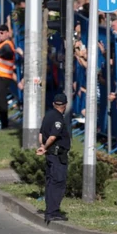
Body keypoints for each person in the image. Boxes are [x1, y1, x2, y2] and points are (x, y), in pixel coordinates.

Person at [36, 92, 70, 224]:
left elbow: (41, 133)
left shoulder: (48, 115)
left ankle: (50, 209)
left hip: (51, 154)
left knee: (50, 183)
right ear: (65, 105)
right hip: (57, 156)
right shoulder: (58, 119)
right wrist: (45, 147)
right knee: (58, 183)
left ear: (53, 104)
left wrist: (42, 145)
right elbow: (53, 136)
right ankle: (53, 212)